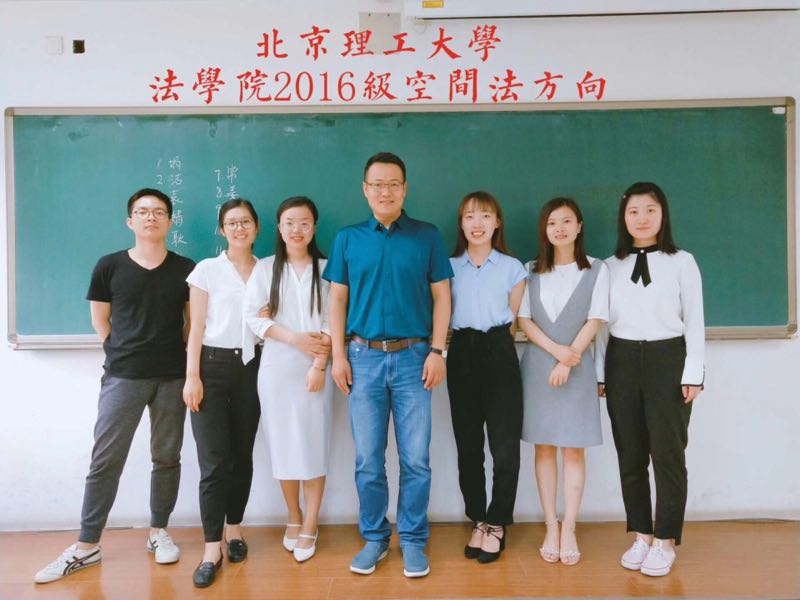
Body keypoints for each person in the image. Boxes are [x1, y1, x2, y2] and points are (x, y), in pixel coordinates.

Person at [35, 188, 195, 584]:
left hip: (172, 376)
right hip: (123, 375)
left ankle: (159, 532)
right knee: (106, 460)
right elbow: (100, 321)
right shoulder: (109, 266)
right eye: (142, 212)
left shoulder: (186, 268)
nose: (151, 217)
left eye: (159, 212)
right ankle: (87, 544)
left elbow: (191, 325)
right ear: (130, 221)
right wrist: (123, 354)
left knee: (167, 457)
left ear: (170, 221)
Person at [323, 152, 452, 578]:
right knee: (367, 459)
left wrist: (438, 351)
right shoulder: (348, 238)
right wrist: (338, 355)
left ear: (405, 188)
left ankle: (412, 540)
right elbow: (337, 300)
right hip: (362, 359)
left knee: (416, 459)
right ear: (365, 189)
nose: (385, 191)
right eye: (377, 184)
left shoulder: (427, 236)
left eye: (393, 183)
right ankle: (375, 538)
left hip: (416, 358)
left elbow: (442, 297)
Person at [596, 181, 704, 577]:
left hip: (667, 359)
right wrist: (600, 373)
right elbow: (601, 326)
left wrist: (694, 372)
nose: (641, 218)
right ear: (623, 218)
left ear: (663, 214)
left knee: (668, 453)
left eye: (650, 210)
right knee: (631, 453)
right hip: (621, 360)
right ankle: (641, 534)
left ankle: (665, 540)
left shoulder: (682, 262)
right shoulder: (609, 266)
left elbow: (696, 319)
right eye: (633, 211)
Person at [517, 197, 609, 566]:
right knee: (543, 448)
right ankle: (550, 525)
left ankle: (569, 526)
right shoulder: (530, 269)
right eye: (552, 222)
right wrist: (558, 353)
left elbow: (596, 318)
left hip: (578, 367)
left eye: (567, 221)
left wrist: (570, 358)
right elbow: (524, 320)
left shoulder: (597, 269)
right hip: (539, 366)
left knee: (573, 449)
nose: (559, 228)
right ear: (544, 229)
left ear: (579, 226)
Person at [244, 196, 332, 563]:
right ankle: (293, 515)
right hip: (277, 369)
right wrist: (294, 338)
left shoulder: (327, 269)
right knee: (283, 445)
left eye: (304, 222)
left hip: (315, 369)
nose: (297, 229)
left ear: (314, 227)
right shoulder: (265, 269)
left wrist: (319, 365)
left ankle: (311, 522)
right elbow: (254, 317)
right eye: (289, 223)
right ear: (279, 228)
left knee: (313, 444)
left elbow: (333, 320)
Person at [183, 199, 262, 587]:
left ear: (257, 227)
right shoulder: (206, 270)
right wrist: (192, 377)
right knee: (213, 461)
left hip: (254, 367)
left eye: (245, 221)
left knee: (241, 456)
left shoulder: (267, 270)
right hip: (211, 368)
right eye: (232, 223)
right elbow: (195, 328)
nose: (239, 228)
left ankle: (235, 529)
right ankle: (211, 548)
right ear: (222, 230)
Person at [447, 191, 527, 564]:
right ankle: (478, 518)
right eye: (469, 216)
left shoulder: (513, 268)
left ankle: (497, 522)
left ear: (497, 222)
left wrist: (495, 350)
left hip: (499, 350)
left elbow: (513, 322)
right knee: (468, 447)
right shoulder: (448, 267)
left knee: (505, 447)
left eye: (485, 216)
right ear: (461, 224)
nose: (477, 223)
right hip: (461, 351)